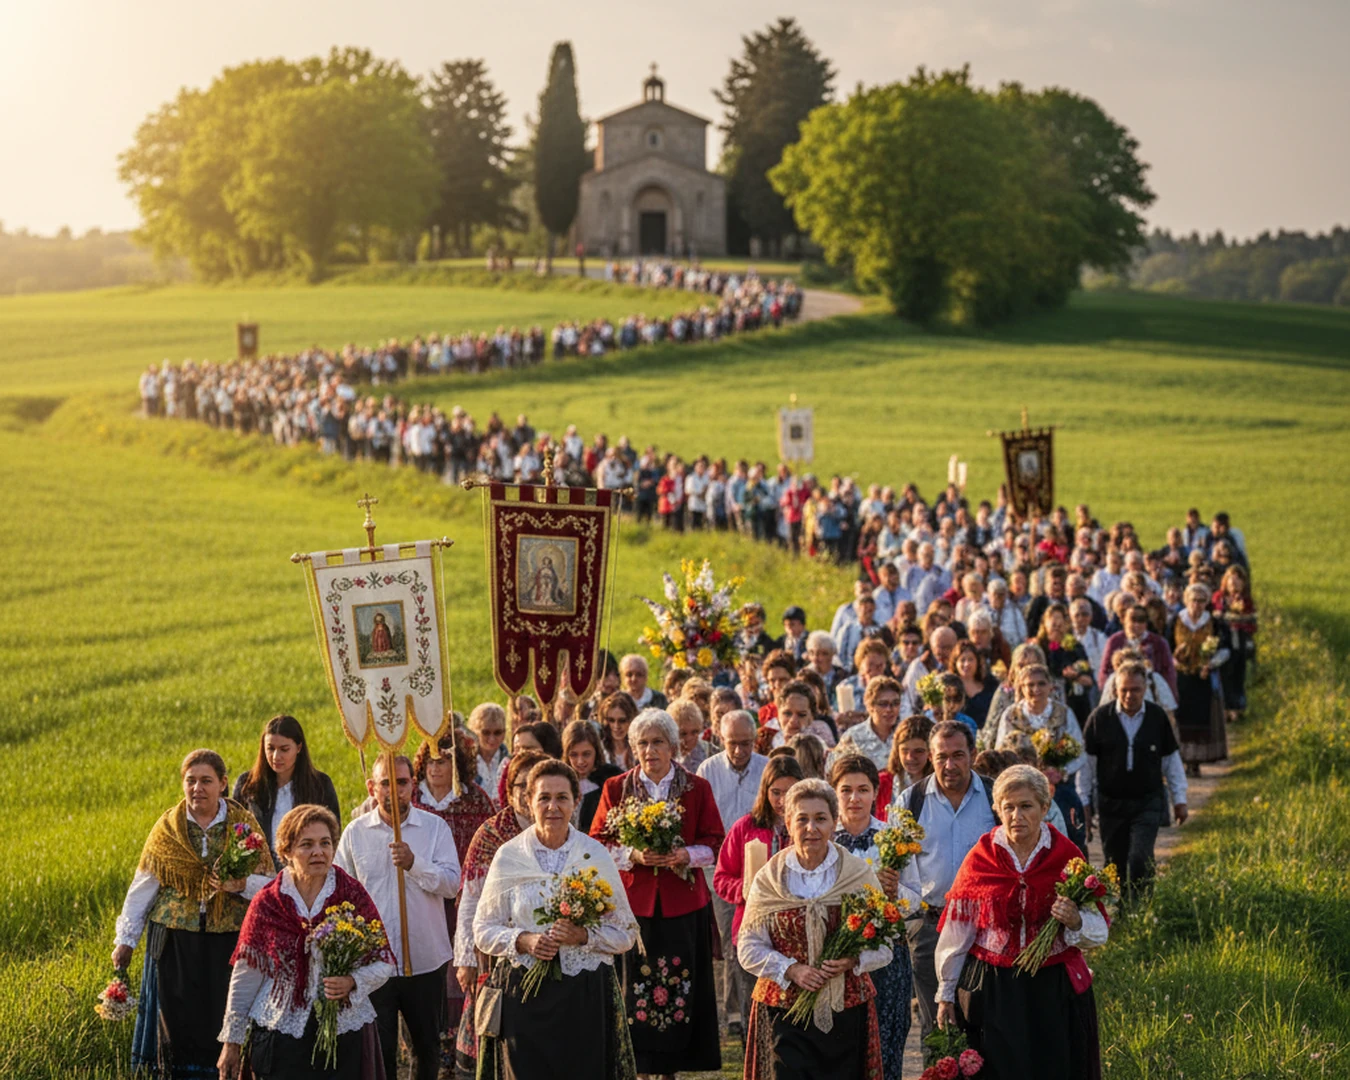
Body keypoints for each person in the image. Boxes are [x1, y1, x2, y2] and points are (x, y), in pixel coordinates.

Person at [935, 765, 1107, 1079]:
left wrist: (1076, 921)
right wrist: (946, 994)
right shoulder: (981, 857)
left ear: (1044, 807)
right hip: (995, 988)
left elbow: (1098, 932)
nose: (1017, 816)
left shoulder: (1067, 856)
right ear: (997, 810)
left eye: (1026, 806)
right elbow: (956, 934)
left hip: (1053, 988)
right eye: (1008, 807)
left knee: (1053, 1068)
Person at [473, 760, 641, 1080]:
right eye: (544, 798)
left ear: (576, 801)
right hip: (523, 992)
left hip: (583, 995)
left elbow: (626, 933)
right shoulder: (509, 856)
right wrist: (524, 940)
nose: (553, 806)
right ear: (529, 802)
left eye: (562, 797)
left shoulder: (594, 856)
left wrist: (583, 936)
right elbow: (482, 930)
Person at [113, 750, 274, 1078]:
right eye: (191, 781)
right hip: (175, 940)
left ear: (223, 783)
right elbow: (143, 885)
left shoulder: (242, 826)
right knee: (177, 1023)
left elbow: (270, 885)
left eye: (206, 781)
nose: (197, 788)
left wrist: (241, 883)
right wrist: (126, 940)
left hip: (229, 940)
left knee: (223, 1017)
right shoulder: (168, 829)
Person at [590, 709, 726, 1077]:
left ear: (673, 746)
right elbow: (597, 843)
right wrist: (633, 855)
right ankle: (641, 1066)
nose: (650, 750)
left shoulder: (697, 787)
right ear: (633, 747)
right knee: (636, 984)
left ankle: (673, 1068)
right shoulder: (616, 789)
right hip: (635, 907)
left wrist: (684, 854)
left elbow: (715, 842)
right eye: (643, 743)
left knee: (680, 983)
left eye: (658, 742)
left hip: (683, 905)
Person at [217, 806, 394, 1080]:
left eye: (325, 843)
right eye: (306, 844)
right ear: (286, 852)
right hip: (279, 1033)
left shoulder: (352, 894)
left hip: (342, 1033)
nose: (318, 852)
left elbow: (384, 962)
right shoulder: (268, 902)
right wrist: (232, 1041)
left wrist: (352, 981)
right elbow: (247, 973)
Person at [738, 779, 891, 1080]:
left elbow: (886, 943)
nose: (811, 828)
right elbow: (747, 946)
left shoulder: (858, 875)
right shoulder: (769, 879)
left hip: (845, 1010)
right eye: (802, 819)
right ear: (788, 823)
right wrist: (791, 969)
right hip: (782, 1010)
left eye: (820, 819)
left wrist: (851, 961)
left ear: (835, 822)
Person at [335, 754, 461, 1080]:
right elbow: (340, 894)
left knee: (426, 1048)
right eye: (386, 783)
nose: (395, 791)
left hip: (425, 960)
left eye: (402, 783)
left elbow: (451, 885)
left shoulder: (434, 828)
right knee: (380, 1049)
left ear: (412, 786)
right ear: (372, 787)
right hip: (375, 964)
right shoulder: (356, 833)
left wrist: (414, 864)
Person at [894, 721, 997, 1039]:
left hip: (987, 931)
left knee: (985, 1023)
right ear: (930, 758)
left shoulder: (994, 797)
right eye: (941, 757)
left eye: (958, 755)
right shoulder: (911, 802)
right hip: (930, 927)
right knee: (935, 1030)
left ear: (973, 754)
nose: (949, 765)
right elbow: (895, 870)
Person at [452, 751, 548, 1078]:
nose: (527, 792)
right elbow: (470, 899)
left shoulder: (554, 829)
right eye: (521, 785)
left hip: (548, 949)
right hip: (497, 951)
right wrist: (464, 958)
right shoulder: (491, 835)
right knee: (496, 1028)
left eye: (534, 785)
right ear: (509, 790)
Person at [830, 756, 920, 1080]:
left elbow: (916, 901)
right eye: (846, 790)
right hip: (838, 956)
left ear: (875, 793)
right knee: (842, 1048)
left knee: (886, 1044)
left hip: (887, 958)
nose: (854, 798)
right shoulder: (824, 838)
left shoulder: (893, 839)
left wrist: (895, 894)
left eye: (863, 790)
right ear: (834, 792)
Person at [1077, 662, 1189, 901]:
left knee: (1140, 857)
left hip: (1147, 802)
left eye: (1136, 689)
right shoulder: (1100, 719)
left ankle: (1142, 908)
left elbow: (1171, 761)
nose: (1129, 695)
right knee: (1114, 862)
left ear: (1145, 688)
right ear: (1116, 689)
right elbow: (1086, 767)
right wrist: (1084, 802)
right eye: (1124, 689)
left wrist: (1180, 800)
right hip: (1111, 804)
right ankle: (1119, 912)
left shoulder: (1157, 717)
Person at [713, 755, 805, 1034]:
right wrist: (742, 888)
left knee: (792, 1018)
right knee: (754, 1014)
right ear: (765, 791)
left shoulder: (807, 827)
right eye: (775, 792)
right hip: (753, 930)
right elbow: (720, 877)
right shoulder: (746, 827)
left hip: (796, 933)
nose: (781, 800)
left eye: (789, 792)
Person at [698, 709, 770, 1034]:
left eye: (746, 743)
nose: (740, 751)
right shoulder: (709, 770)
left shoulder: (765, 768)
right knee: (732, 941)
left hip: (765, 874)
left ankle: (751, 1008)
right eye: (733, 744)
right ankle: (737, 1014)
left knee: (759, 941)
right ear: (719, 740)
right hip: (724, 872)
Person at [232, 714, 341, 861]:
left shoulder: (320, 785)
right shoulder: (248, 784)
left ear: (299, 747)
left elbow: (334, 834)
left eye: (284, 749)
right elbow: (234, 831)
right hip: (258, 870)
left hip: (305, 867)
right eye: (270, 748)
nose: (276, 756)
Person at [1168, 583, 1232, 774]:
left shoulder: (1214, 622)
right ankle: (1184, 760)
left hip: (1203, 678)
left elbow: (1226, 649)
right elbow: (1166, 646)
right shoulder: (1176, 621)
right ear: (1186, 600)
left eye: (1201, 601)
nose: (1197, 605)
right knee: (1182, 718)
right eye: (1193, 600)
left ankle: (1196, 762)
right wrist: (1174, 660)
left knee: (1201, 719)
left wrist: (1211, 664)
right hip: (1182, 677)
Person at [829, 676, 903, 771]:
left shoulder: (905, 735)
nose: (889, 709)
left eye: (895, 703)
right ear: (870, 706)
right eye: (883, 704)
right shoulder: (853, 737)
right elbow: (833, 770)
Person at [1212, 565, 1257, 718]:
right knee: (1225, 673)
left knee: (1239, 672)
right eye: (1231, 581)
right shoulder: (1219, 597)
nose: (1234, 585)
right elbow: (1216, 616)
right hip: (1224, 640)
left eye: (1238, 581)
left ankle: (1238, 707)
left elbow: (1252, 622)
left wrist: (1240, 619)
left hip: (1241, 640)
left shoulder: (1246, 600)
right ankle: (1225, 708)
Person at [563, 719, 620, 831]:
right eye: (574, 755)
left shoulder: (611, 779)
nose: (580, 761)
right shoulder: (561, 780)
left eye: (586, 754)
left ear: (596, 751)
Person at [877, 714, 934, 808]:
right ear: (896, 751)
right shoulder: (882, 784)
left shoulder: (942, 785)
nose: (910, 757)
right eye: (905, 751)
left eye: (919, 751)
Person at [468, 703, 510, 806]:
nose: (492, 739)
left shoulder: (511, 762)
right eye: (486, 732)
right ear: (474, 731)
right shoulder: (464, 761)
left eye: (497, 732)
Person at [599, 691, 639, 771]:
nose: (616, 726)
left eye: (622, 721)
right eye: (611, 720)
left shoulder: (640, 747)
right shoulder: (600, 749)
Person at [672, 697, 713, 773]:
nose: (689, 738)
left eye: (694, 732)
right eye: (683, 734)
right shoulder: (664, 754)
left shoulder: (711, 752)